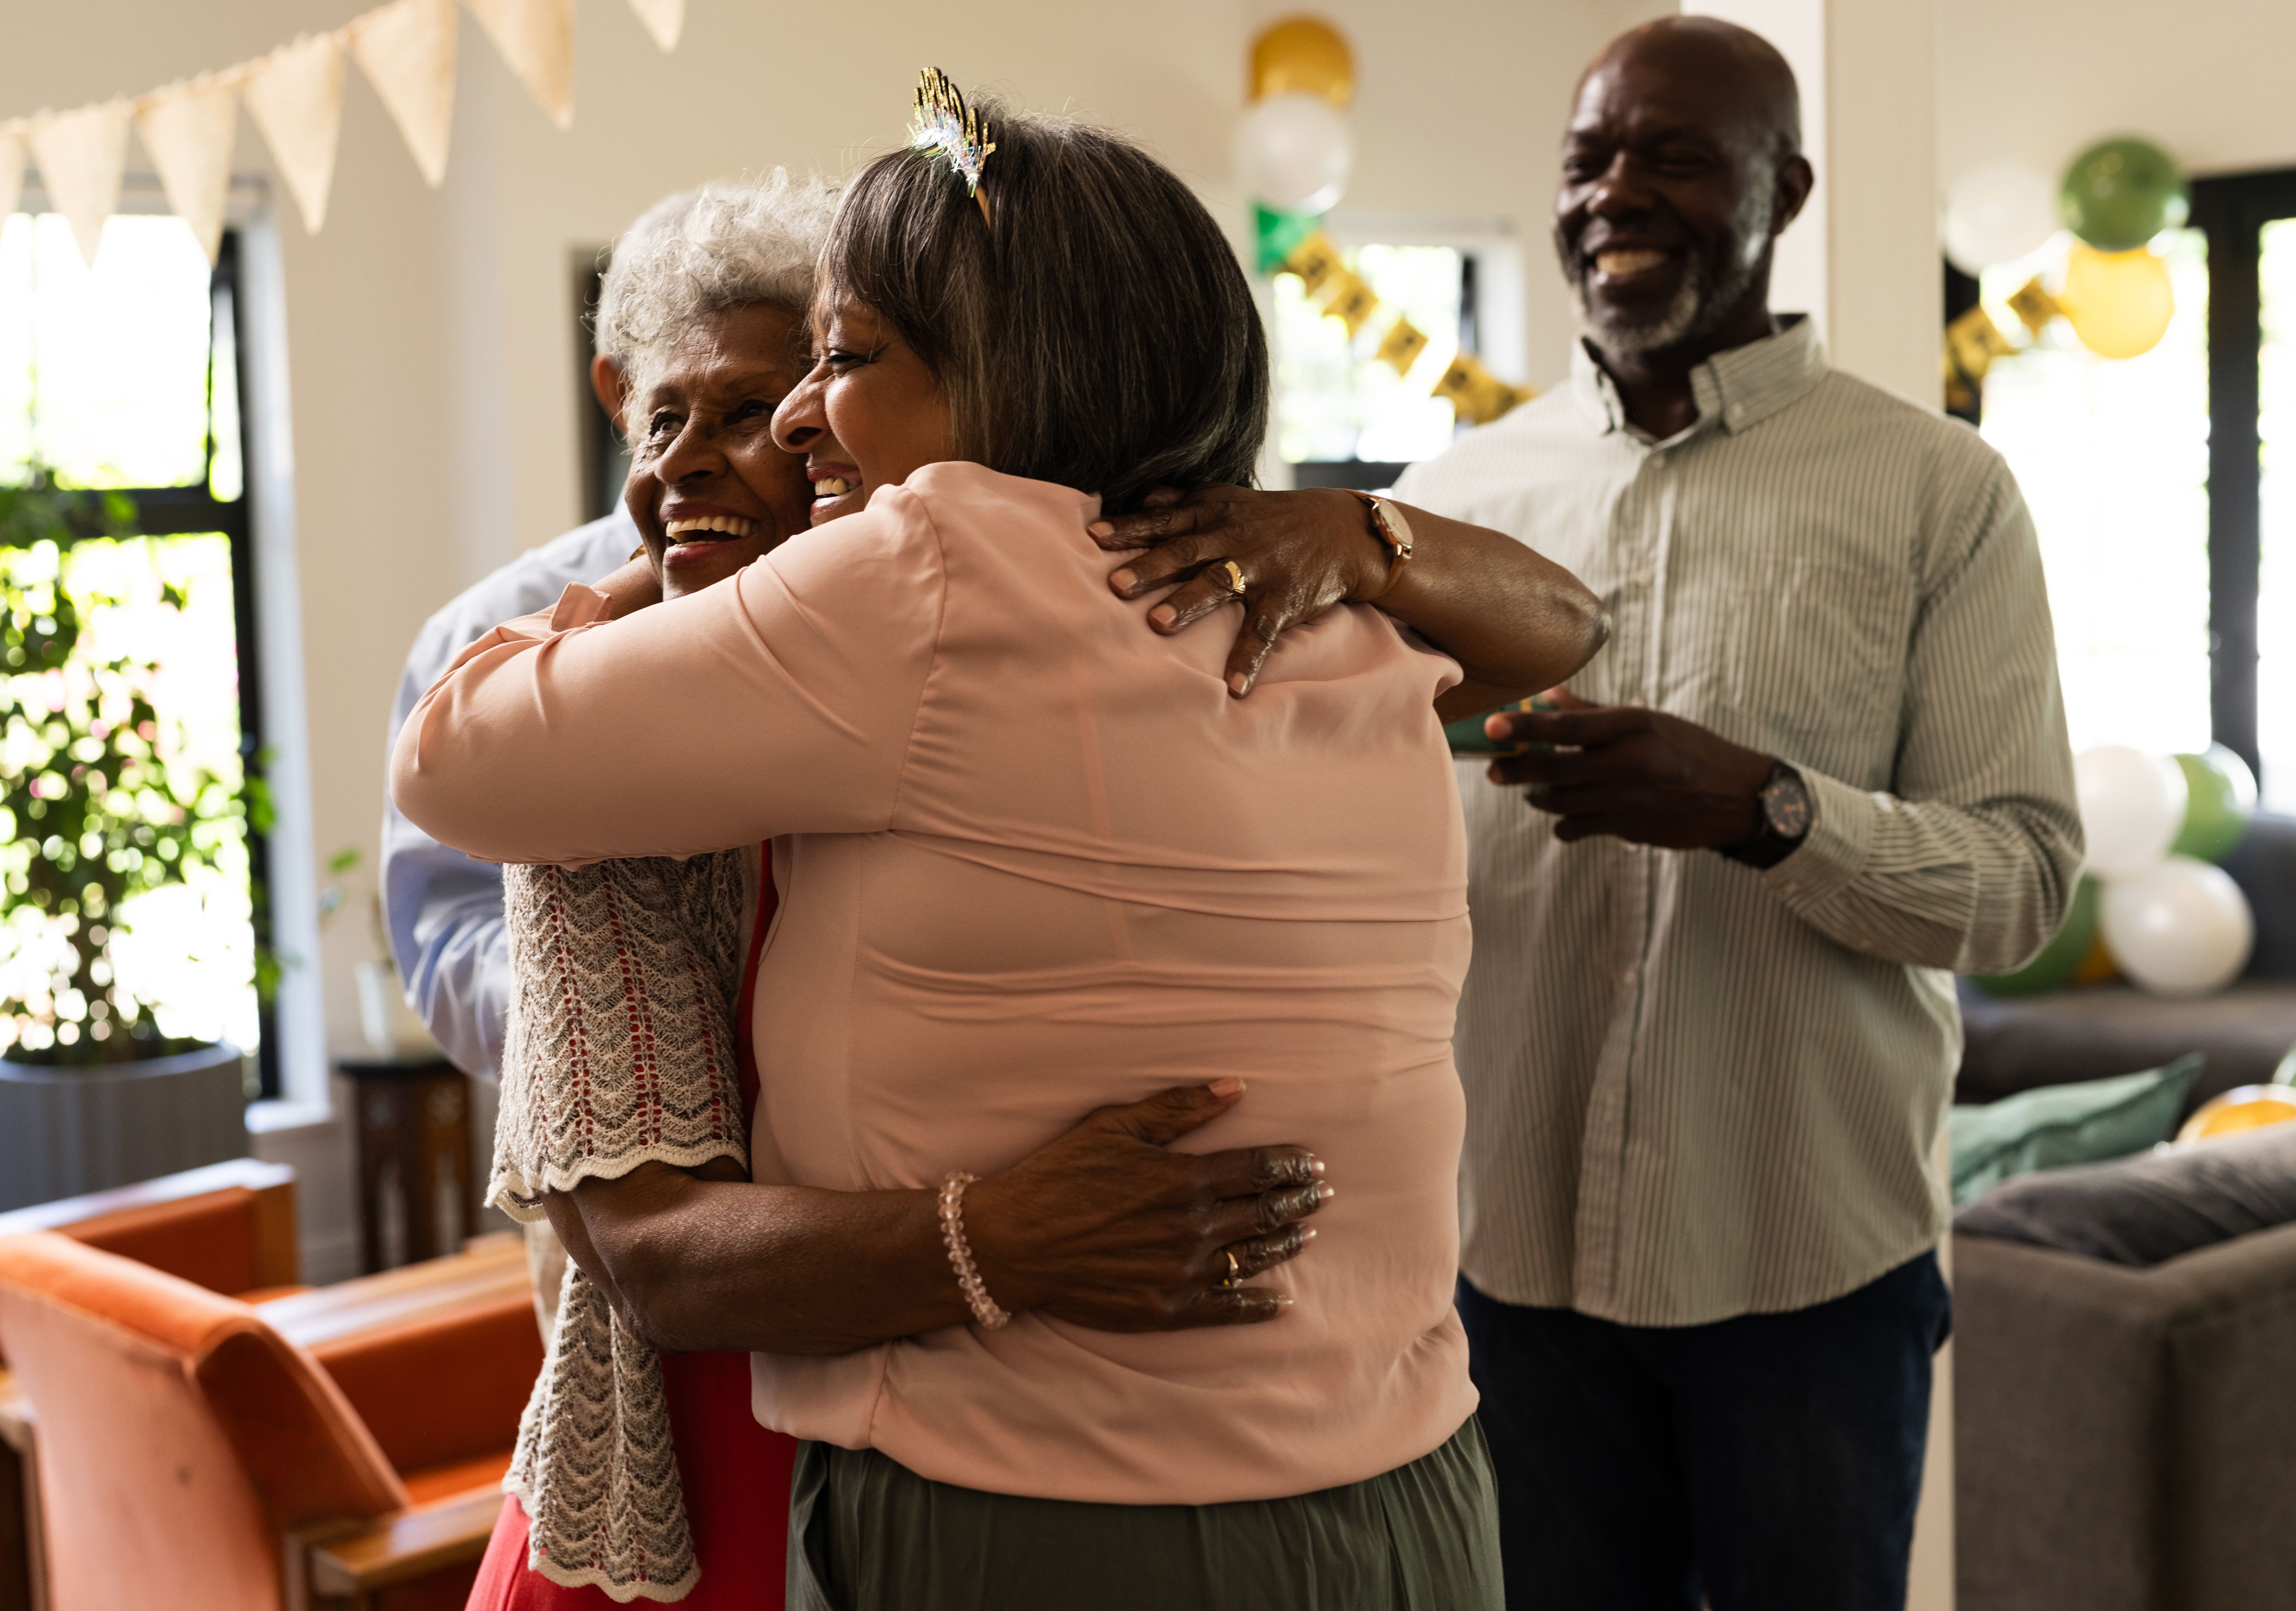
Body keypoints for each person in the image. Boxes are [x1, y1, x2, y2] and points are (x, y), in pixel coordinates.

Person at [395, 79, 1607, 1611]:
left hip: (1063, 1509)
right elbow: (1556, 629)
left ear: (1012, 374)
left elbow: (451, 751)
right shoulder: (1330, 610)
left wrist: (650, 577)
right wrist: (1368, 537)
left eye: (841, 360)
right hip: (1410, 1490)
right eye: (673, 422)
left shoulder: (932, 567)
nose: (787, 422)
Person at [1094, 17, 2083, 1610]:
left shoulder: (1937, 492)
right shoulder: (1443, 502)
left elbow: (2023, 884)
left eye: (1676, 155)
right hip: (1506, 1268)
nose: (1618, 191)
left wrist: (1761, 807)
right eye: (1588, 160)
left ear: (1788, 186)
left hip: (1808, 1272)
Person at [382, 170, 839, 1609]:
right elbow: (440, 921)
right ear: (613, 394)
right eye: (667, 413)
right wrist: (633, 1030)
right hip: (622, 1206)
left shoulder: (882, 620)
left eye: (764, 411)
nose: (702, 455)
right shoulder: (509, 642)